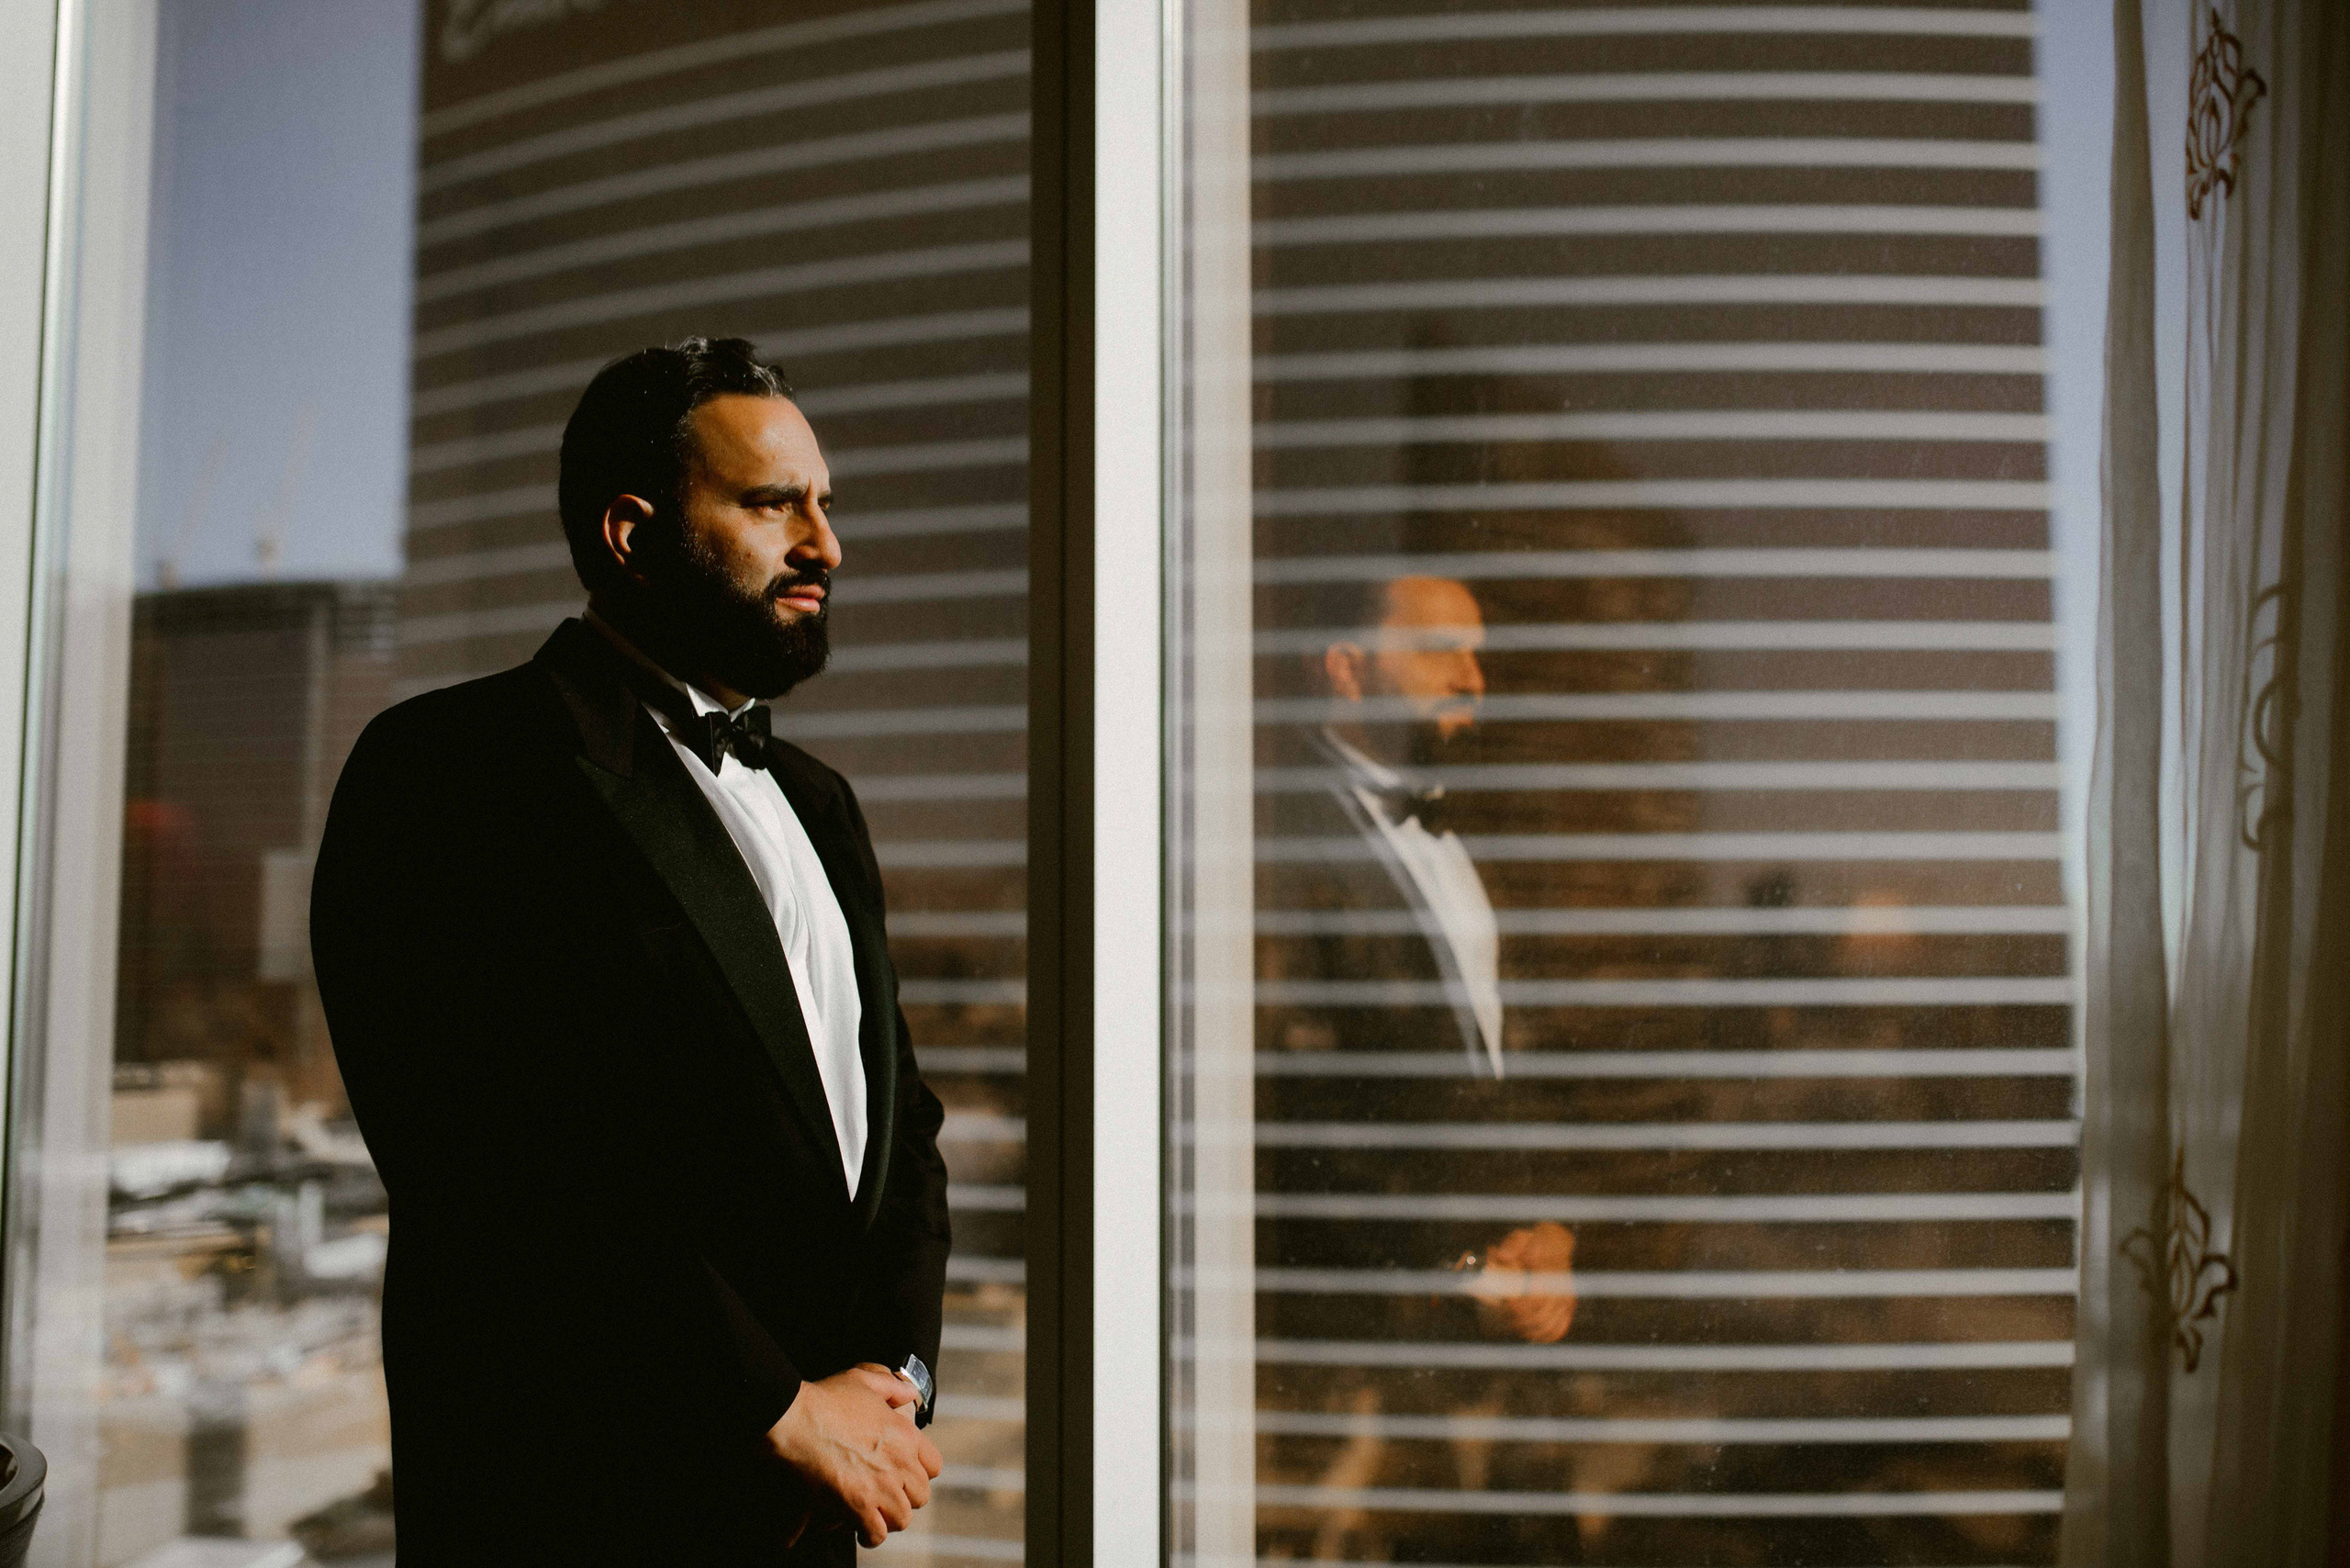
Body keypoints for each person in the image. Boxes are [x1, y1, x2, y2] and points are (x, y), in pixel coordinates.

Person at [310, 338, 949, 1565]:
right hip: (579, 1510)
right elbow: (493, 1159)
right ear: (630, 532)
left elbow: (899, 1133)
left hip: (820, 1510)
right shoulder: (450, 770)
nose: (826, 544)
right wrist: (774, 1407)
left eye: (826, 505)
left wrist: (892, 1380)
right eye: (774, 504)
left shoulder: (823, 803)